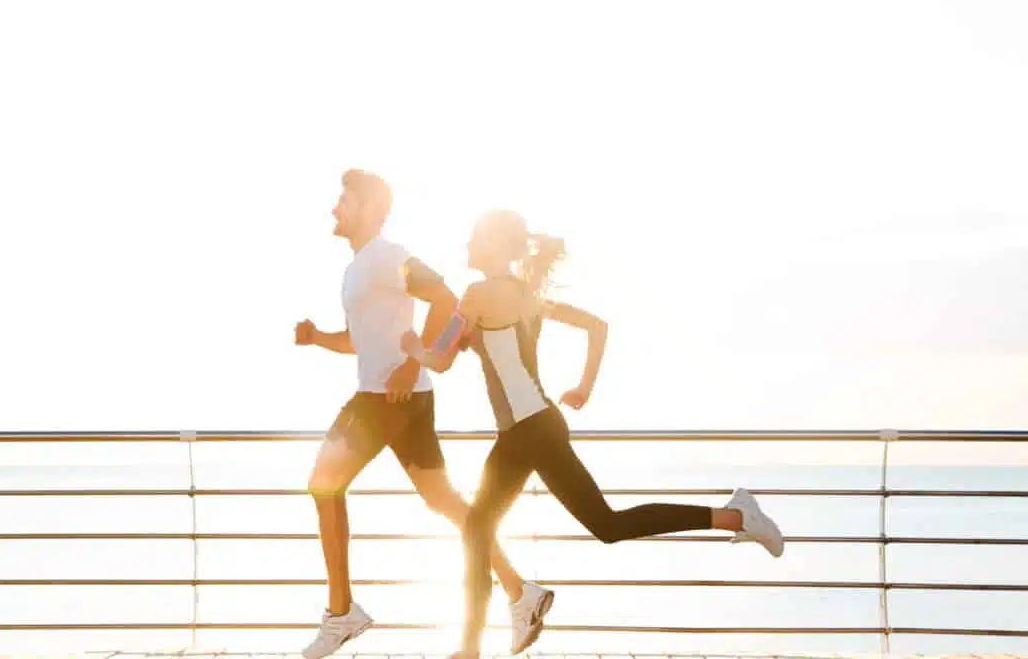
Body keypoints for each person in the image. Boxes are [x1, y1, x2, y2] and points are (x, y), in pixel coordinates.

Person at [401, 209, 786, 659]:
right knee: (478, 526)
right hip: (527, 431)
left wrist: (412, 347)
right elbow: (596, 327)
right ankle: (502, 618)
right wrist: (583, 387)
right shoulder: (526, 294)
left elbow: (440, 358)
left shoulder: (476, 295)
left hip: (531, 433)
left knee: (603, 525)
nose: (466, 245)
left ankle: (736, 516)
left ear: (492, 246)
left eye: (473, 239)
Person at [294, 171, 555, 659]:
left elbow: (447, 299)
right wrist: (317, 339)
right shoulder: (357, 269)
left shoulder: (387, 256)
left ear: (369, 208)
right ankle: (522, 591)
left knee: (322, 482)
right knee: (444, 501)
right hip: (406, 399)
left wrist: (410, 363)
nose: (334, 209)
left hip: (385, 400)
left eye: (343, 200)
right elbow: (360, 342)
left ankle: (341, 610)